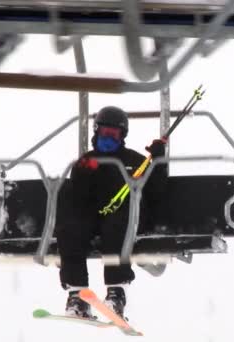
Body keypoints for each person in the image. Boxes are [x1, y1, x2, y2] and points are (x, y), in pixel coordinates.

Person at [56, 106, 168, 319]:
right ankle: (77, 296)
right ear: (97, 132)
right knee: (70, 229)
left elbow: (156, 191)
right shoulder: (86, 162)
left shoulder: (134, 161)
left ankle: (116, 294)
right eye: (105, 132)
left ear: (122, 136)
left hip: (126, 218)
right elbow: (78, 195)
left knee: (115, 226)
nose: (109, 137)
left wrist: (158, 162)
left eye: (114, 134)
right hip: (94, 216)